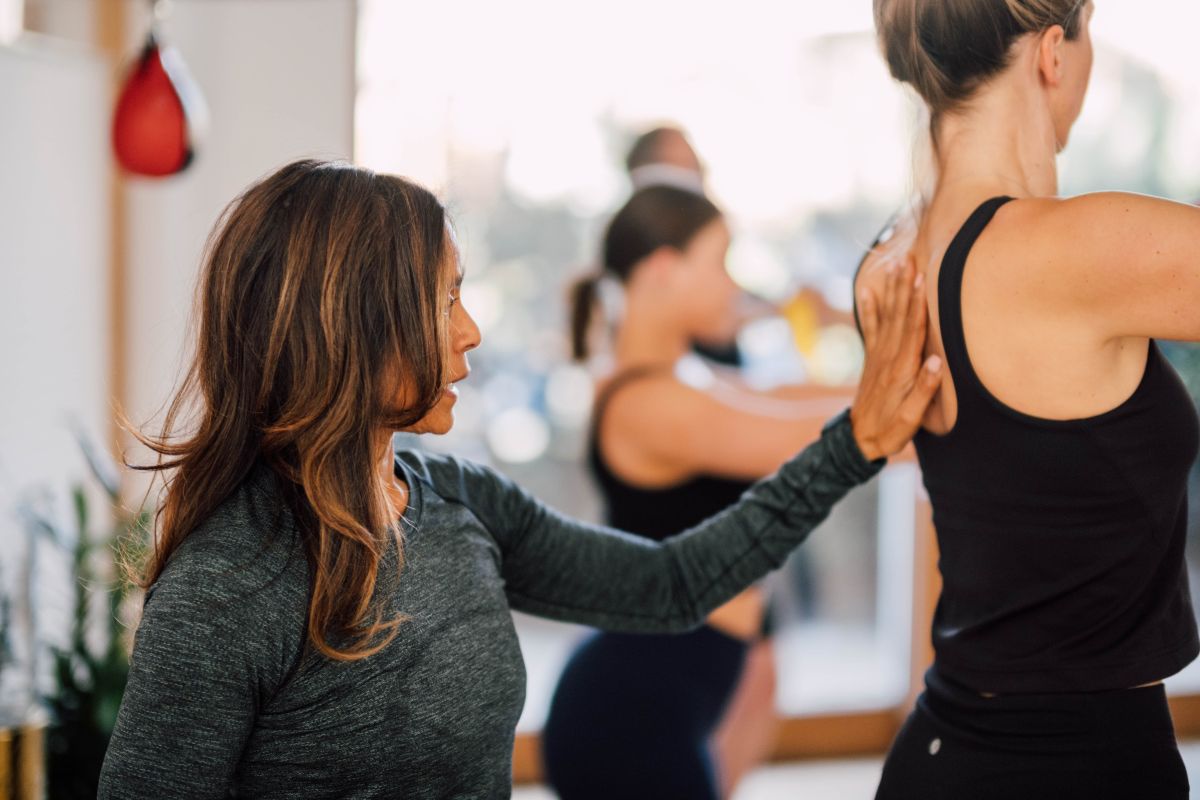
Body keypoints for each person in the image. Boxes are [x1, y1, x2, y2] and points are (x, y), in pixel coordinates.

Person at [96, 158, 940, 799]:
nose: (470, 331)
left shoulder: (460, 501)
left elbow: (671, 584)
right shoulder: (228, 585)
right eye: (445, 300)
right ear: (355, 326)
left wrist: (855, 446)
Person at [859, 2, 1200, 798]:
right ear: (1053, 53)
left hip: (939, 753)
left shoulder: (888, 261)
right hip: (1082, 769)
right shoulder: (1084, 250)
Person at [542, 186, 868, 799]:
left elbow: (785, 399)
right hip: (625, 720)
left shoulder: (684, 378)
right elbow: (814, 434)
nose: (731, 285)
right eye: (720, 262)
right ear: (665, 268)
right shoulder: (646, 403)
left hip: (664, 702)